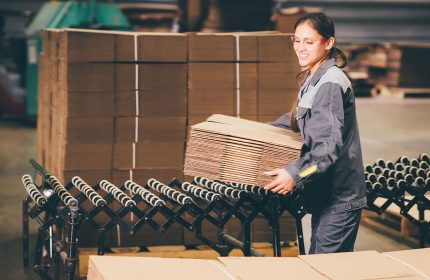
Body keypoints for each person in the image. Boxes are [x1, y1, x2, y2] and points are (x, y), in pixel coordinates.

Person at [264, 12, 366, 254]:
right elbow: (298, 121)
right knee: (319, 264)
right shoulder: (314, 78)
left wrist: (294, 173)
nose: (301, 48)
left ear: (328, 43)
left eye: (309, 42)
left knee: (325, 268)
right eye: (296, 40)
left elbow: (326, 151)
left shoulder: (330, 82)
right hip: (324, 194)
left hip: (339, 197)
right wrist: (255, 132)